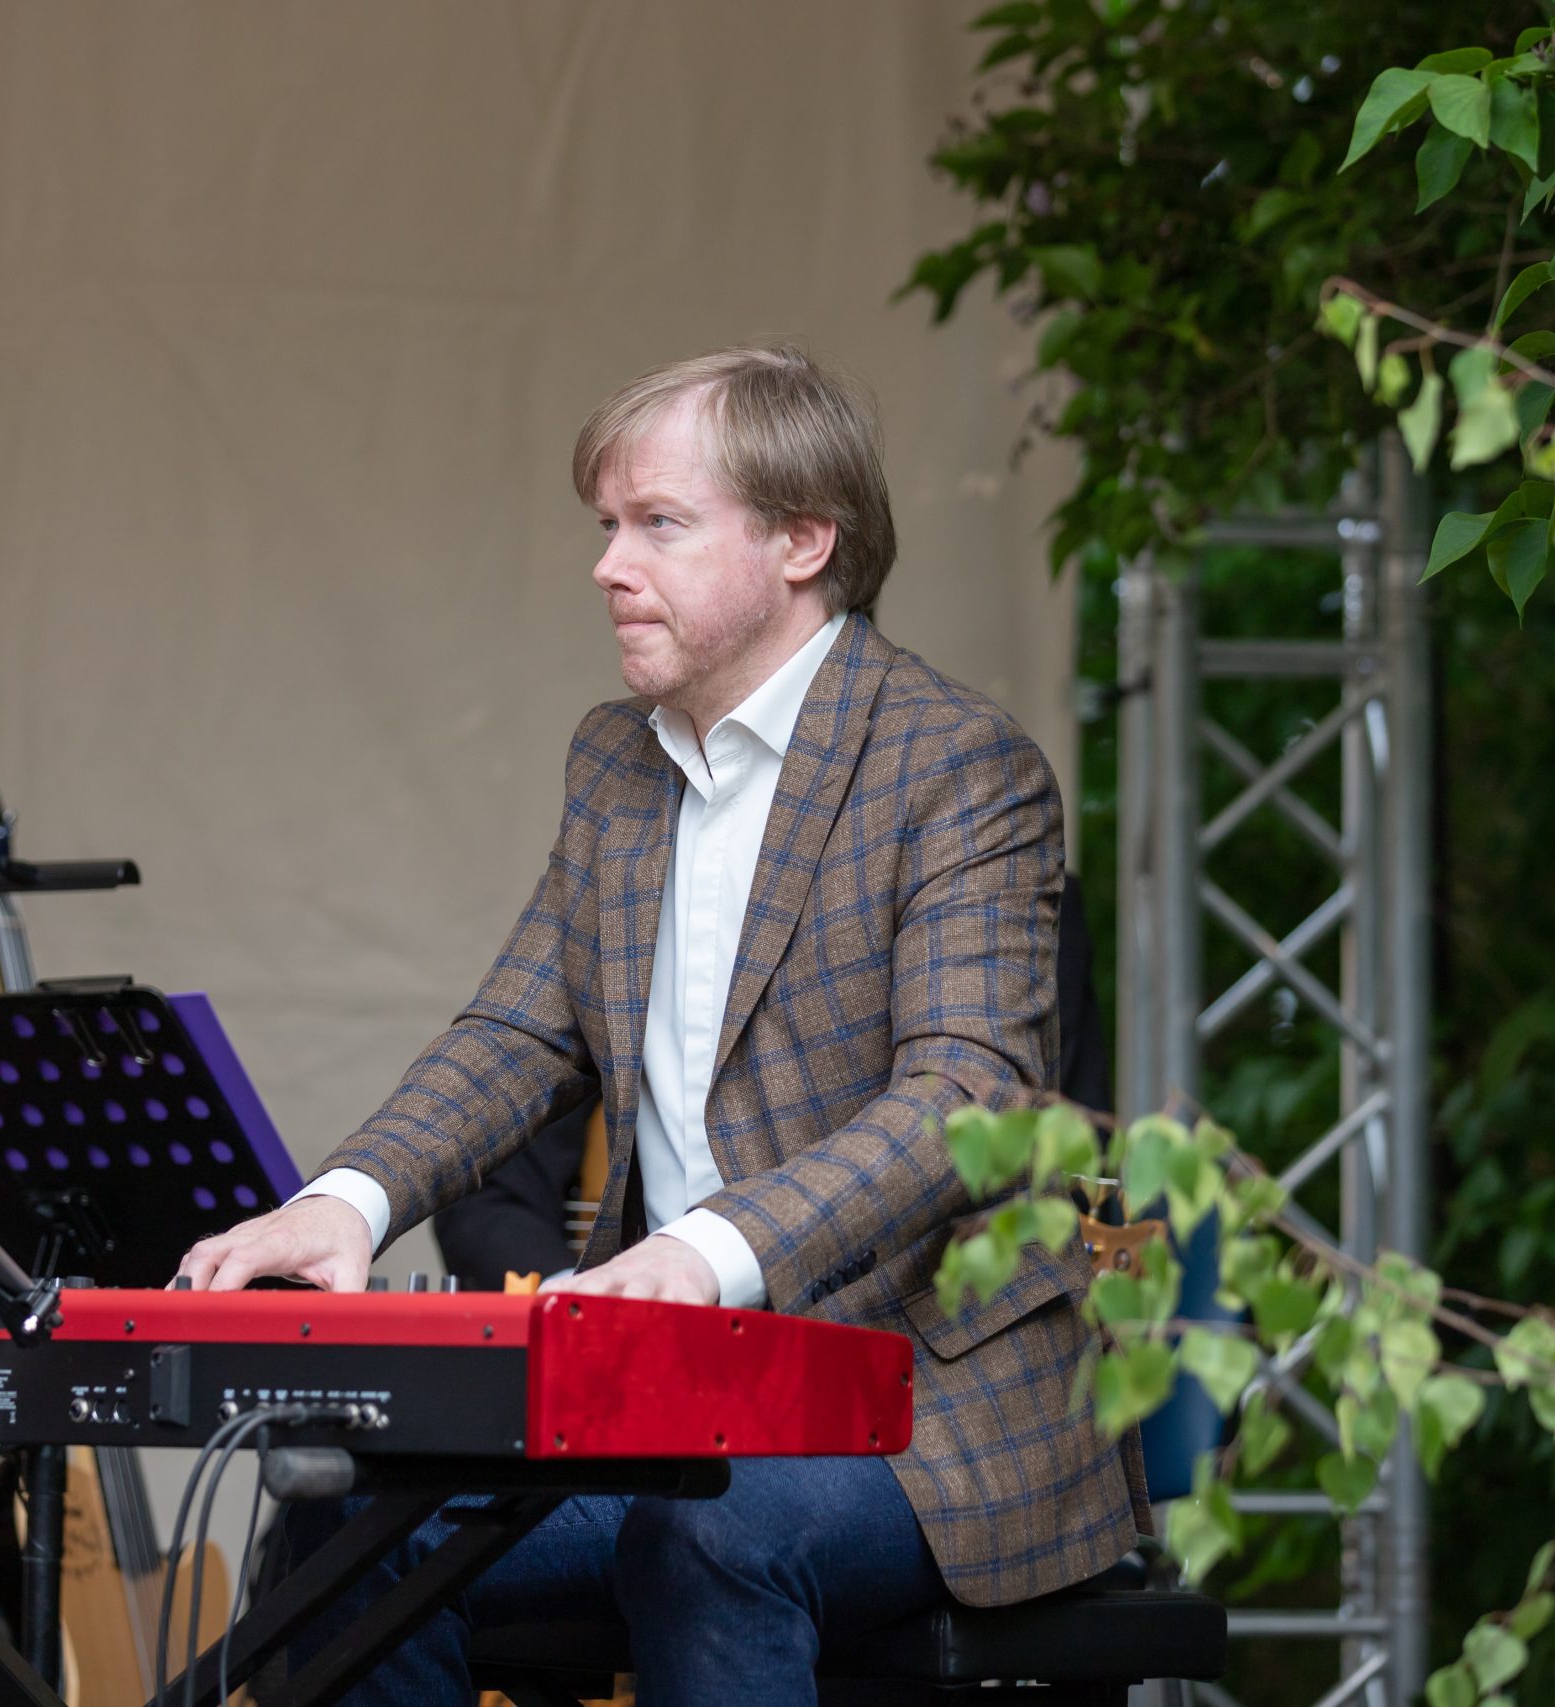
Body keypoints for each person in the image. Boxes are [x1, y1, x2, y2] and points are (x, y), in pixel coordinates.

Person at [175, 345, 1147, 1706]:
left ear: (803, 541)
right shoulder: (615, 760)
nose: (608, 566)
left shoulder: (959, 766)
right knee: (345, 1529)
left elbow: (963, 1097)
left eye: (659, 524)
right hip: (688, 1401)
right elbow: (517, 1032)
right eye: (606, 525)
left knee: (710, 1537)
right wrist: (347, 1199)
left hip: (933, 1409)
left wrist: (702, 1250)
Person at [432, 869, 1111, 1291]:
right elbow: (492, 1197)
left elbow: (1058, 1161)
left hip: (897, 1353)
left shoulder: (992, 885)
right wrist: (581, 1308)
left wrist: (715, 1252)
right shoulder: (645, 881)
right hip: (644, 1355)